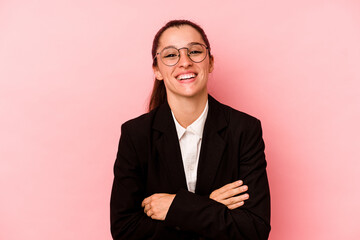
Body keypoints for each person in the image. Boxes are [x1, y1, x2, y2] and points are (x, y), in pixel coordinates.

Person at [110, 19, 271, 240]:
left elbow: (254, 229)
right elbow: (125, 231)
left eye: (195, 51)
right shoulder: (135, 135)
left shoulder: (245, 129)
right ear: (156, 70)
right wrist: (209, 205)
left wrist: (177, 208)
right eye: (170, 55)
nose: (184, 62)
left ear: (210, 63)